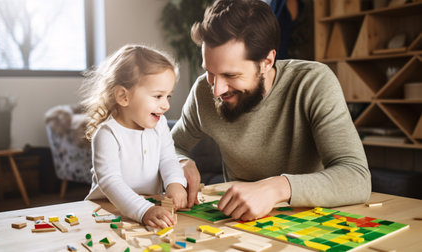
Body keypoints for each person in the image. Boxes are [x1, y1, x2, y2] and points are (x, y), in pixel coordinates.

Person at [171, 0, 371, 221]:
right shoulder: (203, 90)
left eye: (231, 75)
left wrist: (276, 189)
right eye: (210, 72)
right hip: (236, 223)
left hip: (312, 221)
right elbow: (169, 146)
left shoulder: (313, 82)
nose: (217, 89)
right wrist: (179, 161)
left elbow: (357, 177)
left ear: (267, 61)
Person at [81, 45, 187, 228]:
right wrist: (143, 210)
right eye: (158, 96)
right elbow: (110, 181)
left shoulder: (159, 125)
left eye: (168, 96)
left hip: (149, 206)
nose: (166, 105)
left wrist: (175, 182)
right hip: (107, 210)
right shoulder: (107, 134)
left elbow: (168, 158)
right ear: (123, 97)